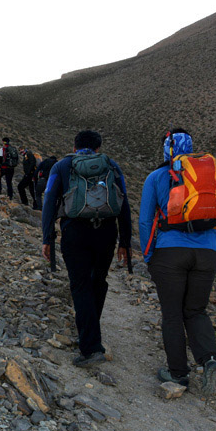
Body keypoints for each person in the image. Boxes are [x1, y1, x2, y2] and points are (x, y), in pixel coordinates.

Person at [139, 129, 216, 396]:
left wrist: (149, 255)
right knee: (196, 311)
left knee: (172, 314)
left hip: (169, 253)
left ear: (166, 149)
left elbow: (146, 221)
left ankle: (178, 374)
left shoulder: (157, 177)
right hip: (207, 254)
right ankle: (210, 360)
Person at [41, 130, 132, 367]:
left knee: (80, 286)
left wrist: (47, 238)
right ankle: (91, 331)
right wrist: (125, 241)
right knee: (98, 281)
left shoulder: (61, 166)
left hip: (74, 232)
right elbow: (124, 203)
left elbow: (49, 200)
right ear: (98, 148)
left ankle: (91, 347)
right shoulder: (111, 165)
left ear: (75, 147)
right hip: (107, 231)